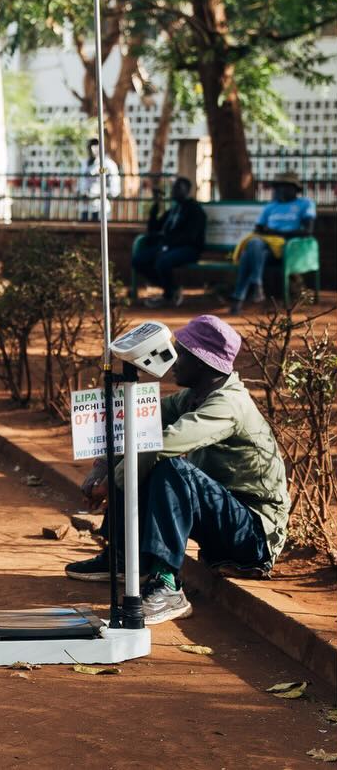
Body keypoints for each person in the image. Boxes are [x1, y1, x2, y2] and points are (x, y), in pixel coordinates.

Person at [66, 315, 288, 625]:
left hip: (252, 536)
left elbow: (162, 444)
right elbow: (136, 423)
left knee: (169, 466)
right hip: (224, 521)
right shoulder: (194, 397)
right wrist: (102, 467)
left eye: (181, 353)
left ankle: (167, 585)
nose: (173, 361)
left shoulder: (228, 404)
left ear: (202, 362)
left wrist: (111, 484)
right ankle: (123, 559)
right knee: (148, 459)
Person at [228, 171, 316, 315]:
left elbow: (307, 231)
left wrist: (276, 232)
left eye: (286, 186)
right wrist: (268, 232)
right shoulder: (270, 206)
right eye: (278, 186)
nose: (281, 190)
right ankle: (256, 284)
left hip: (291, 249)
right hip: (267, 250)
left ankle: (239, 298)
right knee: (253, 246)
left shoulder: (305, 204)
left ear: (295, 188)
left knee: (248, 254)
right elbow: (258, 228)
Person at [133, 176, 206, 308]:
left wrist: (167, 247)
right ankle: (172, 288)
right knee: (138, 260)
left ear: (186, 191)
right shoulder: (174, 210)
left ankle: (168, 295)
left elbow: (191, 237)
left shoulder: (195, 210)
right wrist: (156, 204)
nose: (173, 191)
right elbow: (154, 228)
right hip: (166, 247)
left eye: (177, 188)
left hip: (188, 249)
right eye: (173, 188)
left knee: (162, 261)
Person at [77, 138, 121, 221]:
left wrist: (97, 195)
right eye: (90, 145)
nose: (92, 148)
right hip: (85, 208)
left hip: (101, 208)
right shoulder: (84, 163)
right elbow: (81, 182)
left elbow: (114, 189)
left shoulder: (108, 164)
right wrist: (80, 192)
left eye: (96, 145)